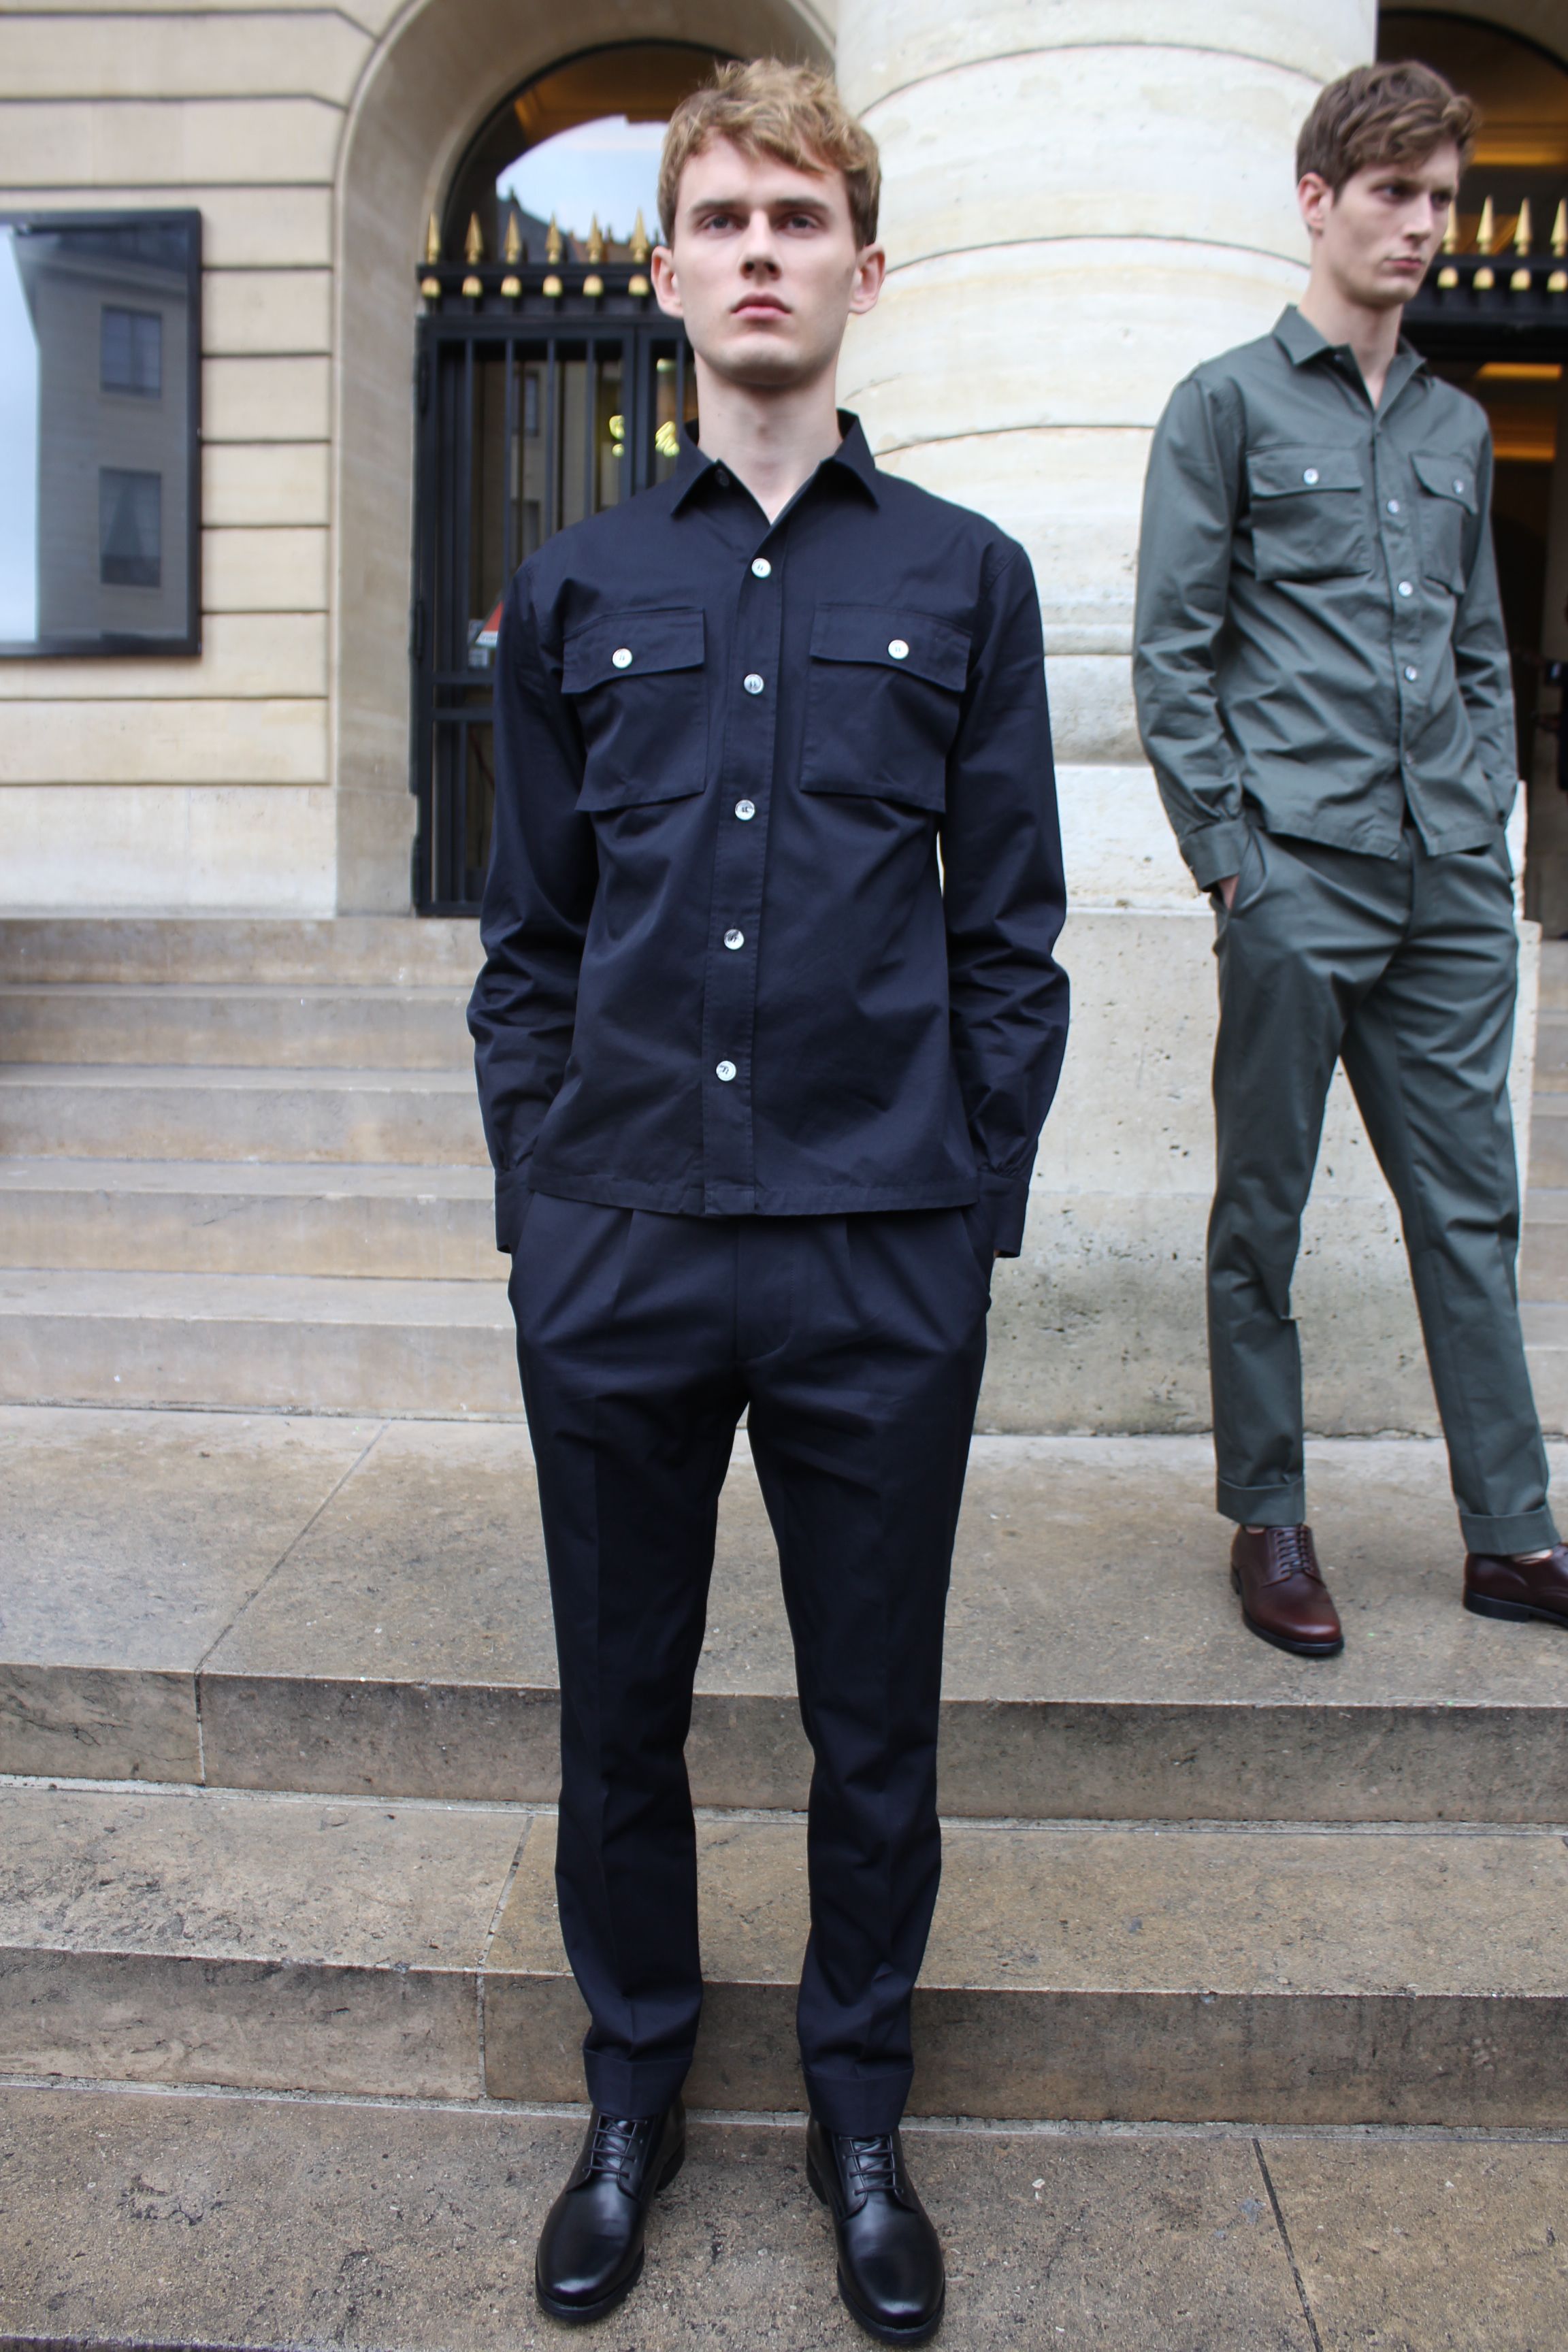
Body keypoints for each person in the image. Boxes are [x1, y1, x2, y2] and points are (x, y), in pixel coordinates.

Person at [468, 59, 1068, 2341]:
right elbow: (528, 945)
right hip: (620, 1241)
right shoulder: (575, 587)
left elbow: (1011, 937)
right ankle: (629, 2096)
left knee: (873, 1729)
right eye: (721, 217)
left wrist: (965, 1209)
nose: (757, 252)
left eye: (797, 218)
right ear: (664, 272)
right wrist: (540, 1208)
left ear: (862, 268)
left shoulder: (965, 578)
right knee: (618, 1713)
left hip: (874, 1252)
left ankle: (857, 2116)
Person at [1134, 58, 1568, 1659]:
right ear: (1318, 200)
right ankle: (1271, 1520)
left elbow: (1479, 652)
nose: (1423, 223)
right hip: (1295, 879)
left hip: (1445, 880)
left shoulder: (1458, 426)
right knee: (1264, 1213)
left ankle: (1512, 1535)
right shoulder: (1225, 405)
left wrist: (1485, 826)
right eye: (1394, 192)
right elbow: (1172, 654)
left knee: (1472, 1215)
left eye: (1442, 196)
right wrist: (1229, 862)